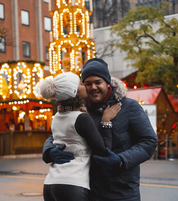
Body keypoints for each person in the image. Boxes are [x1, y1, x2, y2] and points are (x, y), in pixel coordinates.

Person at [43, 59, 158, 201]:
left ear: (107, 83)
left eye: (98, 82)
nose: (93, 87)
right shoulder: (79, 109)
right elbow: (58, 133)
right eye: (88, 83)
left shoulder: (128, 107)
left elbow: (149, 141)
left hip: (122, 192)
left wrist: (121, 160)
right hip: (90, 191)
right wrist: (49, 151)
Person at [39, 72, 121, 201]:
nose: (84, 85)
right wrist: (106, 121)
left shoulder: (56, 118)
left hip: (51, 183)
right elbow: (103, 149)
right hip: (73, 183)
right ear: (75, 92)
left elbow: (53, 140)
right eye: (81, 83)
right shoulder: (81, 118)